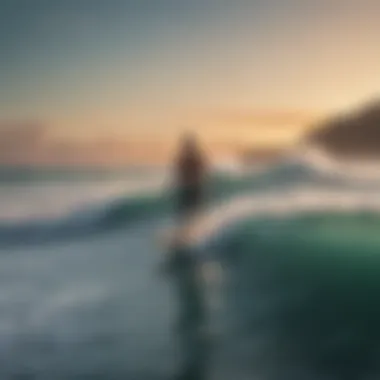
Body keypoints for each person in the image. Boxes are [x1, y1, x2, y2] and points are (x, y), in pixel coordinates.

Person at [174, 132, 207, 222]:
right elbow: (179, 171)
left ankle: (191, 229)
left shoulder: (192, 157)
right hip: (189, 187)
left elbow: (201, 170)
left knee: (191, 212)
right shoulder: (188, 157)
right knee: (188, 212)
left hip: (192, 187)